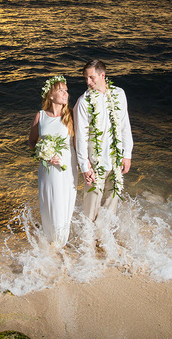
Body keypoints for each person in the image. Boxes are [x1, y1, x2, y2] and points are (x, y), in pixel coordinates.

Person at [74, 59, 133, 221]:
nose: (88, 82)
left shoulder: (119, 94)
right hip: (95, 164)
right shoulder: (83, 102)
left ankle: (104, 243)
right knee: (90, 210)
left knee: (110, 208)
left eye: (91, 77)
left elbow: (124, 126)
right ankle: (88, 244)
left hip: (116, 161)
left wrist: (127, 154)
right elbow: (80, 137)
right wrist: (85, 166)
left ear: (102, 75)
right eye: (86, 78)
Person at [28, 75, 78, 247]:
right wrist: (43, 154)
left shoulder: (71, 116)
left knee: (63, 203)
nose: (66, 93)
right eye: (61, 90)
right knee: (49, 202)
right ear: (50, 95)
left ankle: (59, 243)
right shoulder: (40, 116)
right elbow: (32, 142)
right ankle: (51, 241)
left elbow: (80, 142)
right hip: (47, 169)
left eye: (66, 90)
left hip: (66, 168)